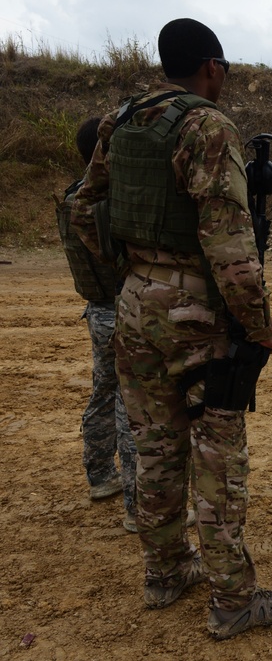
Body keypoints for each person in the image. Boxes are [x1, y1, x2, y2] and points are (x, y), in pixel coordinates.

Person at [71, 18, 272, 639]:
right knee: (218, 450)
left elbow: (83, 204)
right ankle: (234, 599)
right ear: (213, 67)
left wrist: (129, 270)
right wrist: (260, 327)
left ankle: (166, 570)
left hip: (132, 304)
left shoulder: (121, 120)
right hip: (196, 313)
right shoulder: (207, 124)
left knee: (154, 445)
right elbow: (230, 242)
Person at [56, 117, 137, 532]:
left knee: (103, 394)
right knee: (131, 407)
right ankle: (136, 506)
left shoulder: (72, 197)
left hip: (97, 311)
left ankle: (100, 476)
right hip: (120, 307)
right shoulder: (104, 200)